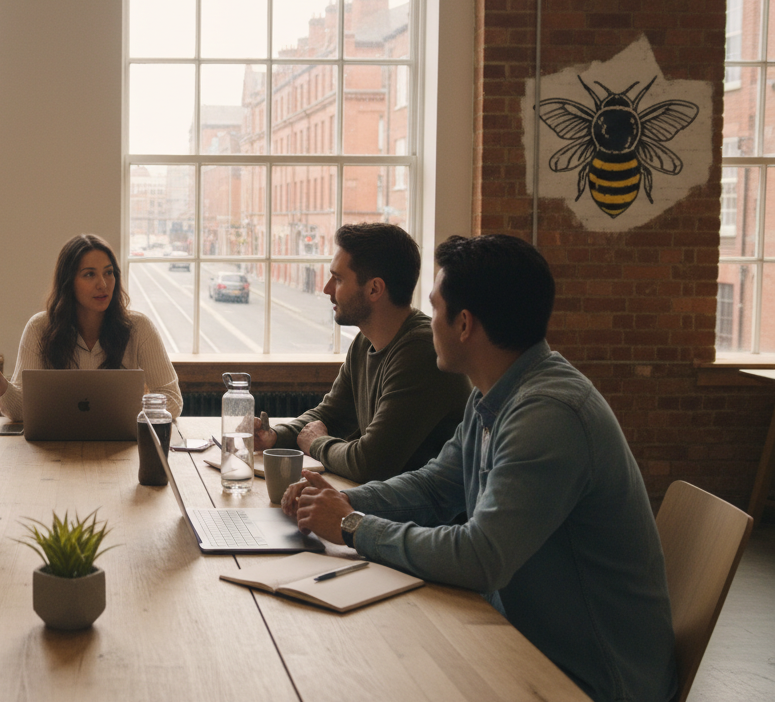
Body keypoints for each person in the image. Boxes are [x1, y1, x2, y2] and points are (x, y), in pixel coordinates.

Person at [282, 234, 676, 702]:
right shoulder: (496, 393)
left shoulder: (549, 415)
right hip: (524, 640)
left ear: (464, 324)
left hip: (589, 681)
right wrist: (336, 502)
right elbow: (434, 487)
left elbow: (480, 557)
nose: (428, 325)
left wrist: (350, 525)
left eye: (435, 308)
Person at [253, 223, 470, 483]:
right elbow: (329, 415)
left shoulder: (420, 350)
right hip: (385, 507)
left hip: (425, 519)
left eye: (339, 279)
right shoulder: (364, 342)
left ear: (375, 289)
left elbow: (369, 463)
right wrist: (275, 436)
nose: (326, 289)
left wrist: (318, 444)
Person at [0, 234, 181, 421]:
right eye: (89, 274)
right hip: (55, 450)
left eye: (109, 272)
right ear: (68, 282)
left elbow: (172, 398)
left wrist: (132, 415)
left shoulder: (139, 327)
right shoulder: (39, 328)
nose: (103, 284)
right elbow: (22, 411)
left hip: (123, 446)